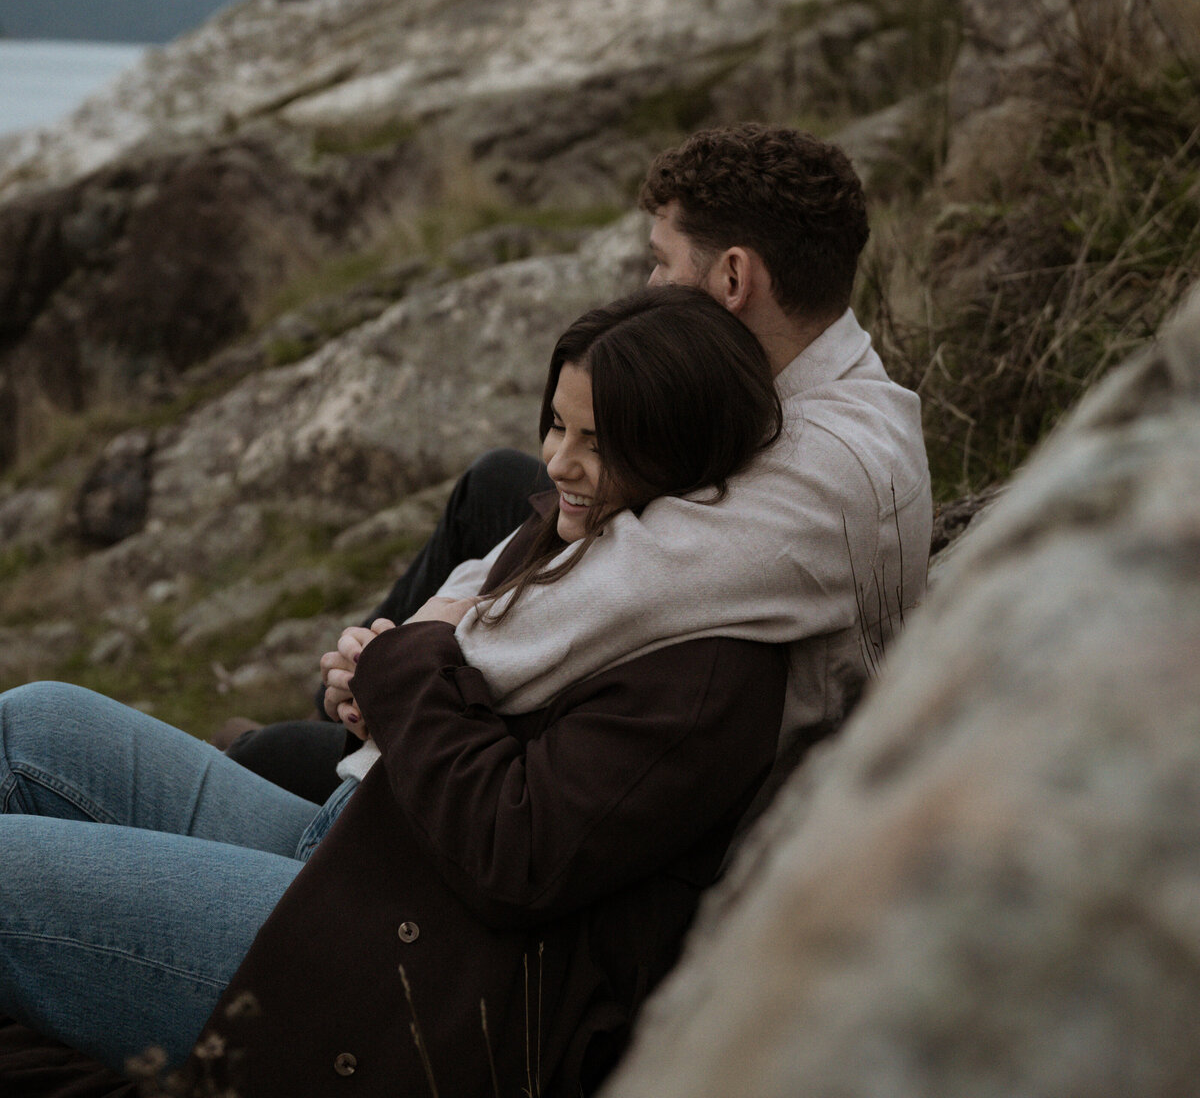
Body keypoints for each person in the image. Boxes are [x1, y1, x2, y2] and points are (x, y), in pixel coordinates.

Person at [0, 287, 792, 1098]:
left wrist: (404, 670)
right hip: (362, 848)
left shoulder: (703, 669)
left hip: (386, 970)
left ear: (678, 442)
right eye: (557, 426)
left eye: (594, 442)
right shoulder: (603, 543)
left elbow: (519, 852)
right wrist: (382, 702)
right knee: (34, 724)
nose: (557, 462)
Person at [229, 121, 933, 804]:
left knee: (262, 758)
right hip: (628, 656)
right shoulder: (800, 378)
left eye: (661, 260)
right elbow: (561, 541)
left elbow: (604, 596)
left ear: (733, 277)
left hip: (703, 794)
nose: (648, 285)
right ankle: (317, 729)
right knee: (502, 485)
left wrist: (385, 668)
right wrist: (425, 625)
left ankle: (296, 755)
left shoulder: (821, 473)